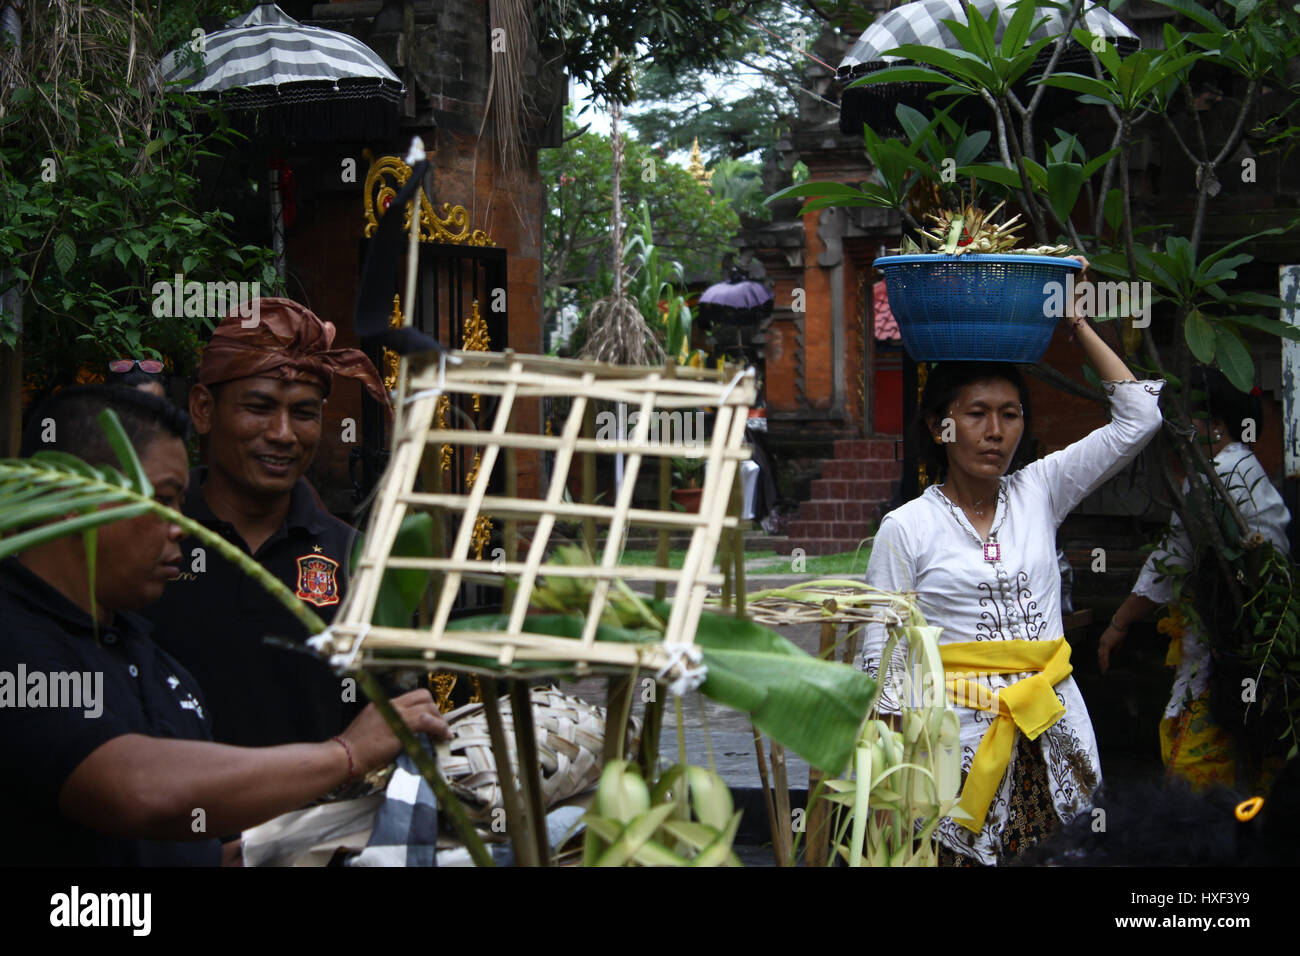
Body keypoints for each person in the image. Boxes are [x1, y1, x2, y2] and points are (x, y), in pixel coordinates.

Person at [2, 385, 445, 866]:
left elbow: (191, 843)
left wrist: (290, 847)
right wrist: (345, 753)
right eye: (163, 500)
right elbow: (134, 787)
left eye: (180, 503)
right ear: (72, 495)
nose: (183, 527)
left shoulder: (151, 660)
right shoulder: (14, 635)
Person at [862, 261, 1165, 865]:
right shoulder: (906, 528)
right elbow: (882, 662)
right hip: (955, 748)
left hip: (1056, 733)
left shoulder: (1039, 491)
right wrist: (893, 789)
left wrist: (1074, 320)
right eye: (976, 414)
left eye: (1010, 414)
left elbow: (1141, 416)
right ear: (939, 426)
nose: (995, 431)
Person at [143, 298, 393, 748]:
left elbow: (387, 717)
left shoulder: (356, 559)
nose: (283, 433)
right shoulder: (150, 541)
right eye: (259, 407)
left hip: (322, 815)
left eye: (303, 413)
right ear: (203, 409)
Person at [1098, 367, 1291, 790]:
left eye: (1188, 418)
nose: (1176, 429)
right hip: (1258, 647)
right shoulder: (1241, 469)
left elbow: (1170, 562)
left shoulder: (1213, 480)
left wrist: (1118, 623)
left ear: (1214, 424)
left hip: (1230, 649)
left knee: (1198, 768)